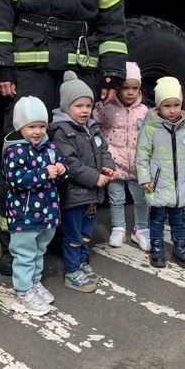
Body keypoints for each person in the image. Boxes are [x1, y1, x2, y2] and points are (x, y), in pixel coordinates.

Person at [0, 0, 128, 274]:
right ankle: (13, 243)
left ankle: (61, 236)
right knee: (20, 148)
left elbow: (113, 21)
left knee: (72, 152)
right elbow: (0, 12)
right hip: (29, 67)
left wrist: (110, 74)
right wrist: (2, 64)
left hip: (77, 68)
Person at [50, 71, 117, 292]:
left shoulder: (92, 128)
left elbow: (103, 149)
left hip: (90, 195)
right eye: (78, 106)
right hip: (74, 196)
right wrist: (96, 177)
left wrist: (108, 166)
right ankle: (71, 271)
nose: (84, 110)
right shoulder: (62, 132)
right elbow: (71, 164)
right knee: (73, 234)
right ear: (66, 106)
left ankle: (81, 262)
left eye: (88, 105)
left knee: (87, 232)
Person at [2, 97, 67, 317]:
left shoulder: (49, 147)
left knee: (39, 250)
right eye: (31, 127)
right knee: (24, 254)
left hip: (46, 213)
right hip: (24, 215)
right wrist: (44, 173)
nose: (38, 131)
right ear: (20, 127)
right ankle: (22, 293)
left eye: (41, 126)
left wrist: (60, 168)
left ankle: (35, 283)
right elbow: (15, 180)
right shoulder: (16, 151)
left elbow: (62, 168)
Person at [136, 76, 185, 270]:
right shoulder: (150, 128)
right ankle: (157, 247)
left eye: (177, 104)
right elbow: (142, 156)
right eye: (167, 105)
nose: (173, 110)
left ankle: (180, 247)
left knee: (179, 218)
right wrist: (145, 178)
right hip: (159, 184)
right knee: (157, 218)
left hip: (181, 185)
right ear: (158, 107)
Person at [94, 60, 150, 249]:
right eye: (125, 87)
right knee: (116, 198)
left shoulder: (144, 111)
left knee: (141, 198)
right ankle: (119, 227)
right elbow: (94, 128)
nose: (130, 92)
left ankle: (141, 229)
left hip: (137, 164)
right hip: (114, 163)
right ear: (117, 87)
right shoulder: (105, 107)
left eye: (135, 88)